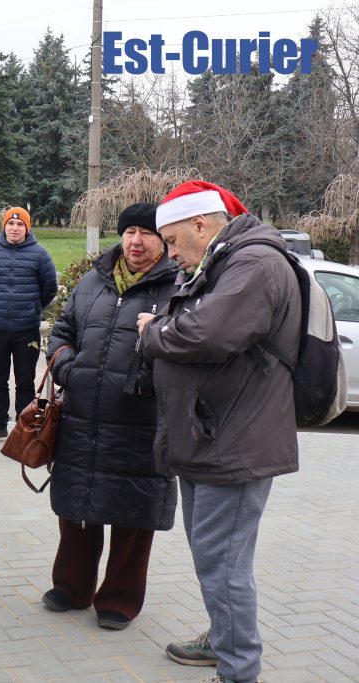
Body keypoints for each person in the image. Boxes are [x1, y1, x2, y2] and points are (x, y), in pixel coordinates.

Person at [138, 181, 302, 683]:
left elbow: (208, 332)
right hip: (211, 437)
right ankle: (222, 639)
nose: (169, 253)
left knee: (224, 564)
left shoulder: (255, 263)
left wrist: (152, 332)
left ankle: (238, 670)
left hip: (233, 444)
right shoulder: (224, 261)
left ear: (200, 224)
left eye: (171, 241)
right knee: (216, 558)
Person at [43, 203, 178, 631]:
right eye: (130, 231)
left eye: (147, 233)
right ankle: (72, 586)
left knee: (133, 511)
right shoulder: (93, 280)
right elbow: (61, 332)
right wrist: (68, 368)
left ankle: (119, 598)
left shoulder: (177, 286)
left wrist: (147, 377)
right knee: (78, 503)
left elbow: (184, 347)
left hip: (142, 420)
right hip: (83, 415)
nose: (136, 241)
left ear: (163, 240)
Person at [0, 207, 57, 444]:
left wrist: (32, 307)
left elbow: (49, 288)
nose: (15, 228)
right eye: (11, 223)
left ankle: (24, 429)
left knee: (25, 382)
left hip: (26, 331)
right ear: (4, 226)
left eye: (20, 224)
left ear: (27, 228)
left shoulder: (40, 255)